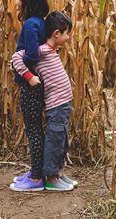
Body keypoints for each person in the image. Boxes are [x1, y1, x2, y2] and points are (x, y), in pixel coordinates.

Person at [11, 11, 78, 191]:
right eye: (67, 33)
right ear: (57, 34)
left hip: (62, 104)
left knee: (61, 139)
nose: (68, 37)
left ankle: (57, 173)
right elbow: (16, 58)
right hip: (56, 105)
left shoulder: (50, 50)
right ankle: (50, 178)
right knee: (54, 139)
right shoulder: (40, 51)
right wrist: (29, 76)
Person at [9, 0, 49, 192]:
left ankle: (35, 179)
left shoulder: (30, 24)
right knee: (36, 129)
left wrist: (17, 62)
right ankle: (36, 171)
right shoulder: (38, 22)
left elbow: (32, 54)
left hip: (31, 85)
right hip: (34, 83)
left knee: (33, 130)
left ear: (27, 0)